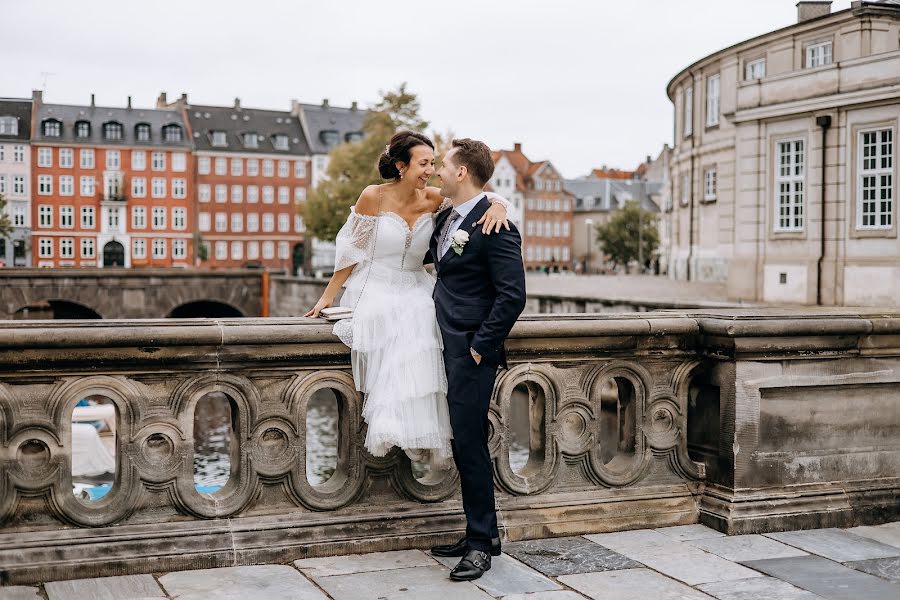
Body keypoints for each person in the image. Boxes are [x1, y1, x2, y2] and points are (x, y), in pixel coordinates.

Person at [305, 131, 510, 469]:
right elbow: (352, 251)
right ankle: (393, 426)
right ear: (401, 166)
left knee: (425, 320)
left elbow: (478, 195)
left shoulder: (433, 199)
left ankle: (419, 434)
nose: (430, 170)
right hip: (376, 285)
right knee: (395, 324)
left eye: (433, 163)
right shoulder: (374, 196)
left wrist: (500, 204)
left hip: (417, 284)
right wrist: (328, 296)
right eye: (424, 163)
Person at [427, 138, 526, 581]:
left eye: (444, 165)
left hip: (470, 349)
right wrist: (498, 198)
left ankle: (482, 543)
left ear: (462, 172)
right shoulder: (449, 216)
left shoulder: (497, 226)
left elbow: (512, 296)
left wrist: (480, 346)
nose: (438, 172)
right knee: (461, 440)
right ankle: (477, 533)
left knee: (469, 442)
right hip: (442, 342)